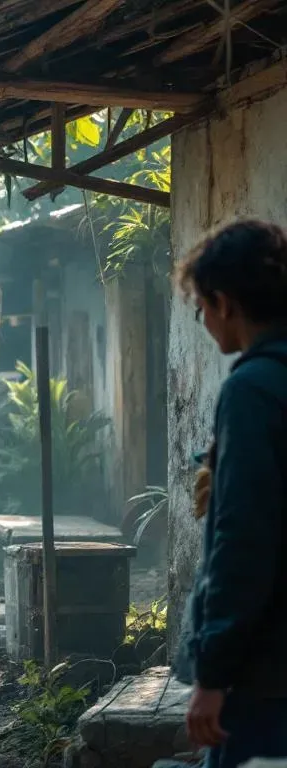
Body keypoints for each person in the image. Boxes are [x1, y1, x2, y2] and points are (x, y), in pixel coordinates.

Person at [174, 219, 287, 766]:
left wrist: (213, 675)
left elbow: (242, 540)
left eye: (201, 308)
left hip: (267, 674)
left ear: (223, 302)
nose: (204, 320)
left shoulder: (251, 390)